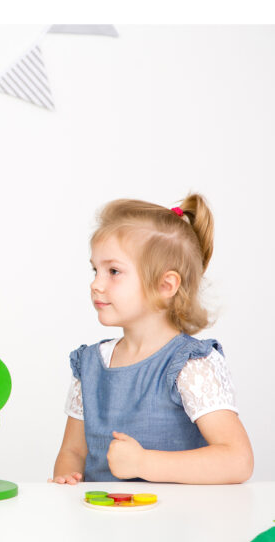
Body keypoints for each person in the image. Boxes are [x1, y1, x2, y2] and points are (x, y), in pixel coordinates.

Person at [50, 194, 253, 484]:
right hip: (99, 525)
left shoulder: (191, 365)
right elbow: (72, 451)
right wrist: (66, 479)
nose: (96, 284)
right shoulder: (90, 365)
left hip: (175, 524)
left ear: (165, 285)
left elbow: (238, 460)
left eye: (114, 271)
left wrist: (144, 463)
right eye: (96, 270)